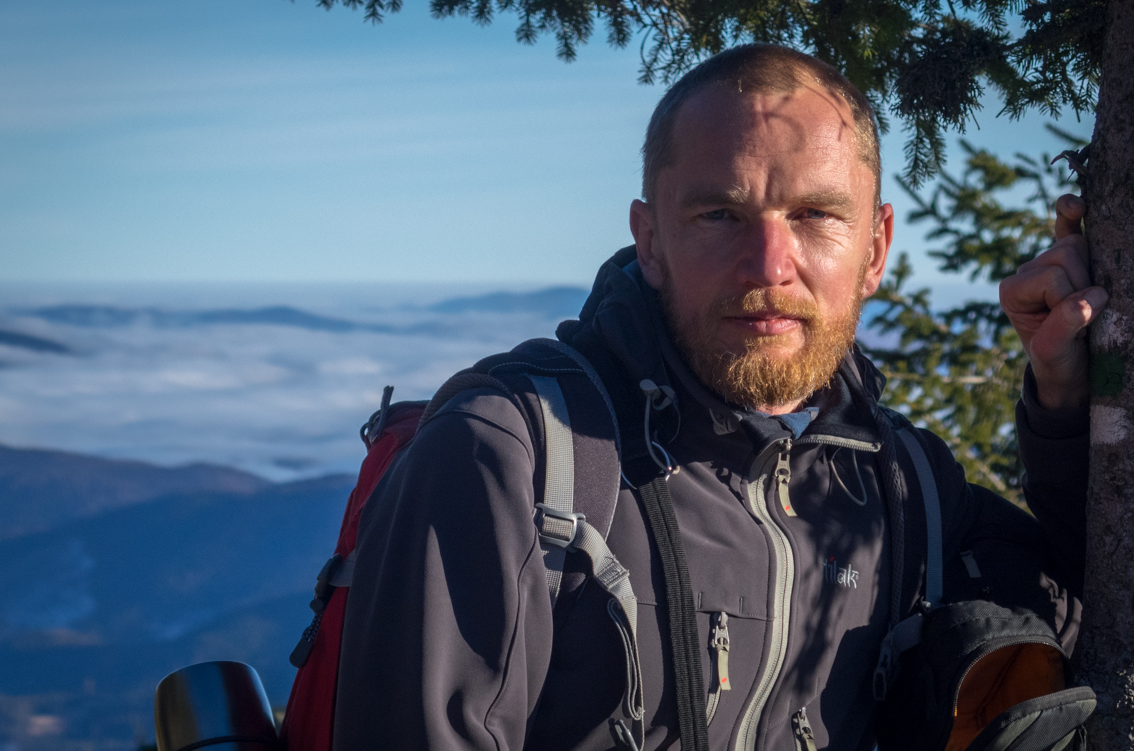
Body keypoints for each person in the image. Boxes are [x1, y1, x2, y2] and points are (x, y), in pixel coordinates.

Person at [330, 44, 1104, 750]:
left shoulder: (903, 485)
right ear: (649, 240)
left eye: (814, 215)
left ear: (874, 249)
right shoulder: (515, 457)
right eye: (718, 215)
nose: (768, 265)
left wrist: (1063, 399)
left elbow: (1098, 604)